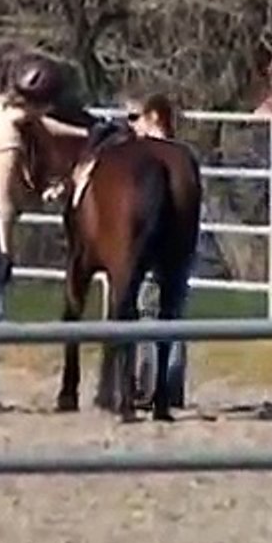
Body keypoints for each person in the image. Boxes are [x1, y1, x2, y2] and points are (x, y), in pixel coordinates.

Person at [0, 53, 88, 410]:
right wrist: (8, 253)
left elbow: (42, 126)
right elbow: (5, 206)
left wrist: (88, 133)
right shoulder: (8, 142)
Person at [121, 91, 188, 407]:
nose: (130, 126)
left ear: (154, 118)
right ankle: (171, 386)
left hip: (153, 243)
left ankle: (147, 385)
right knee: (173, 310)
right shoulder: (185, 158)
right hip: (182, 246)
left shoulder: (146, 160)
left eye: (135, 118)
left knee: (149, 307)